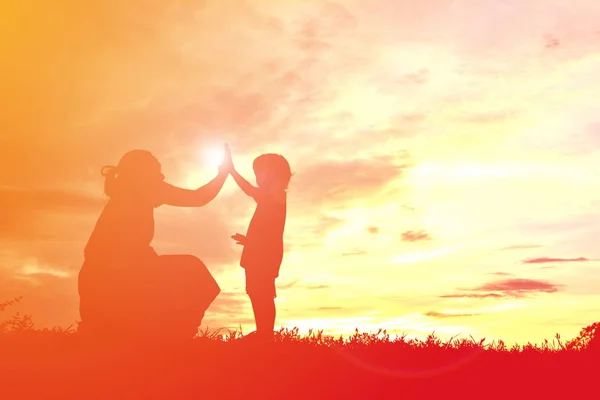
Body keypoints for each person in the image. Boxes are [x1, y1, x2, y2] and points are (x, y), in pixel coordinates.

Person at [78, 145, 232, 342]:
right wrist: (223, 174)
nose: (163, 177)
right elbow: (198, 197)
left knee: (183, 273)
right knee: (197, 275)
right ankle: (177, 336)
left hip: (98, 287)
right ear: (143, 174)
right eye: (158, 172)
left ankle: (154, 331)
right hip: (117, 282)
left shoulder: (124, 193)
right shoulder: (145, 189)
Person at [229, 152, 292, 341]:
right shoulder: (272, 197)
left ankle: (265, 335)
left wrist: (232, 171)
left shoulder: (275, 196)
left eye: (259, 173)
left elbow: (249, 190)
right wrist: (249, 241)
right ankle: (264, 333)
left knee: (261, 294)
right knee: (257, 293)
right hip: (258, 253)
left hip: (263, 256)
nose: (257, 178)